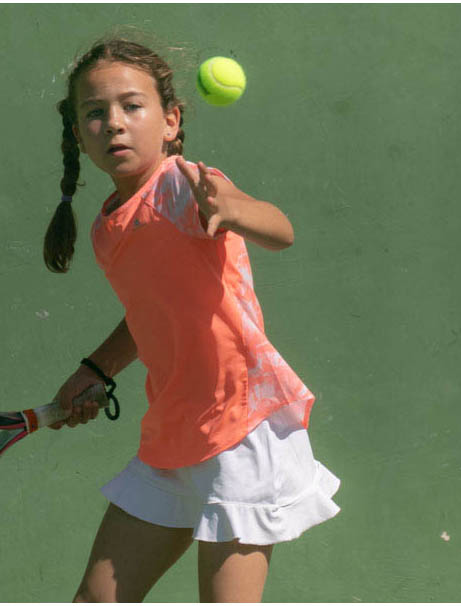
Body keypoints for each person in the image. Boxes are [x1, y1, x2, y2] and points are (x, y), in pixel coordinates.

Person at [42, 37, 340, 603]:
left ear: (171, 121)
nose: (114, 123)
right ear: (79, 134)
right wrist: (96, 370)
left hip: (242, 431)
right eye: (96, 113)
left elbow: (280, 230)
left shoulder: (185, 186)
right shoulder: (108, 229)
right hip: (174, 432)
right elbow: (149, 314)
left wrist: (231, 209)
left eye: (132, 106)